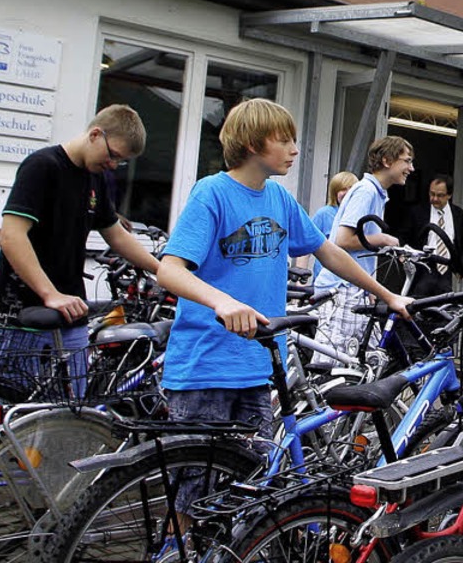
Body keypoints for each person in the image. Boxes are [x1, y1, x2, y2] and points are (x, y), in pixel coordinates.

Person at [156, 100, 411, 532]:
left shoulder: (278, 197)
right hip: (206, 365)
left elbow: (327, 251)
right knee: (192, 494)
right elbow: (169, 269)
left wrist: (388, 294)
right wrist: (222, 302)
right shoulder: (212, 193)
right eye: (285, 140)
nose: (295, 149)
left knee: (250, 483)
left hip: (258, 365)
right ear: (254, 144)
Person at [0, 104, 162, 360]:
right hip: (20, 315)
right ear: (95, 135)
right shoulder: (42, 166)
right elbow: (11, 237)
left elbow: (116, 234)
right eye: (113, 155)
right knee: (13, 398)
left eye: (121, 162)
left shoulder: (94, 177)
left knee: (74, 399)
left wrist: (164, 272)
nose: (113, 165)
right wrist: (50, 294)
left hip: (71, 313)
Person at [312, 136, 412, 360]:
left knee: (366, 361)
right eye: (406, 161)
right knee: (334, 365)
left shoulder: (376, 193)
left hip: (357, 289)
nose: (410, 168)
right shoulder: (366, 191)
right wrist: (384, 239)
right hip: (343, 288)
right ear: (387, 161)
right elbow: (343, 240)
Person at [403, 174, 463, 297]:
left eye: (440, 195)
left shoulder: (459, 214)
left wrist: (462, 269)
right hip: (423, 267)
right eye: (432, 194)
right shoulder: (417, 212)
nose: (434, 199)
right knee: (417, 304)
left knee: (444, 305)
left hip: (446, 268)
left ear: (449, 195)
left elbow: (462, 243)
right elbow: (405, 237)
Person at [307, 171, 358, 278]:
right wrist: (300, 279)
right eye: (343, 189)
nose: (348, 193)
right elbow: (307, 243)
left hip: (351, 280)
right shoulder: (325, 213)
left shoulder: (359, 216)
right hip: (326, 280)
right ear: (334, 192)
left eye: (351, 189)